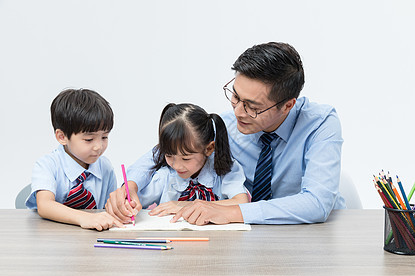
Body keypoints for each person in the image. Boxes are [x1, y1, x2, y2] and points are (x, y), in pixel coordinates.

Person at [106, 42, 345, 225]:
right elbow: (162, 153)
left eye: (252, 106)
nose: (238, 111)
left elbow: (316, 203)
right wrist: (131, 186)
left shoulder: (320, 124)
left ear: (288, 105)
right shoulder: (228, 124)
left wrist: (230, 211)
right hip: (247, 239)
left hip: (310, 237)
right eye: (235, 96)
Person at [108, 103, 249, 218]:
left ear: (209, 148)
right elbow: (136, 197)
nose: (176, 165)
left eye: (186, 158)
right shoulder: (166, 175)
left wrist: (185, 205)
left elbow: (242, 202)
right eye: (169, 155)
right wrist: (127, 205)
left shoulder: (225, 170)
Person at [25, 89, 122, 231]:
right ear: (62, 137)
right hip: (54, 239)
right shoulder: (48, 165)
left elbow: (109, 208)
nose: (98, 146)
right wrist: (84, 218)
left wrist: (120, 207)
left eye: (104, 137)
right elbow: (45, 205)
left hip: (95, 241)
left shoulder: (105, 167)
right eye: (89, 139)